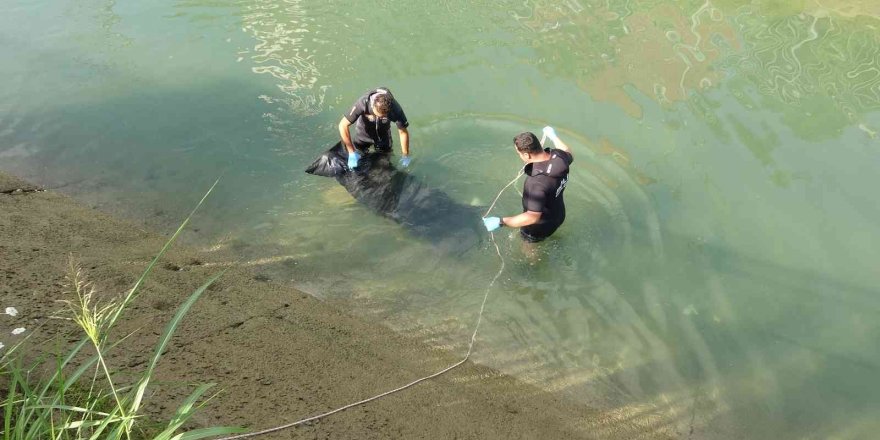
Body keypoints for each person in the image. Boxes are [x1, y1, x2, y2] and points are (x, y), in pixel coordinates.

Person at [482, 126, 573, 242]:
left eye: (519, 153)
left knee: (528, 250)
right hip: (559, 215)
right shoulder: (559, 157)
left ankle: (533, 257)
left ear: (526, 155)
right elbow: (568, 151)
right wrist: (553, 136)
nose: (519, 156)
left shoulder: (535, 183)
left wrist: (500, 222)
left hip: (538, 228)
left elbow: (532, 217)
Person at [338, 87, 411, 170]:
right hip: (363, 134)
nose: (379, 118)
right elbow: (342, 125)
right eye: (376, 115)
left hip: (383, 136)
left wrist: (405, 155)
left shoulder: (395, 109)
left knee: (385, 163)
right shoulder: (363, 103)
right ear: (373, 106)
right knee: (358, 163)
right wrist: (351, 152)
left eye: (383, 117)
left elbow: (403, 132)